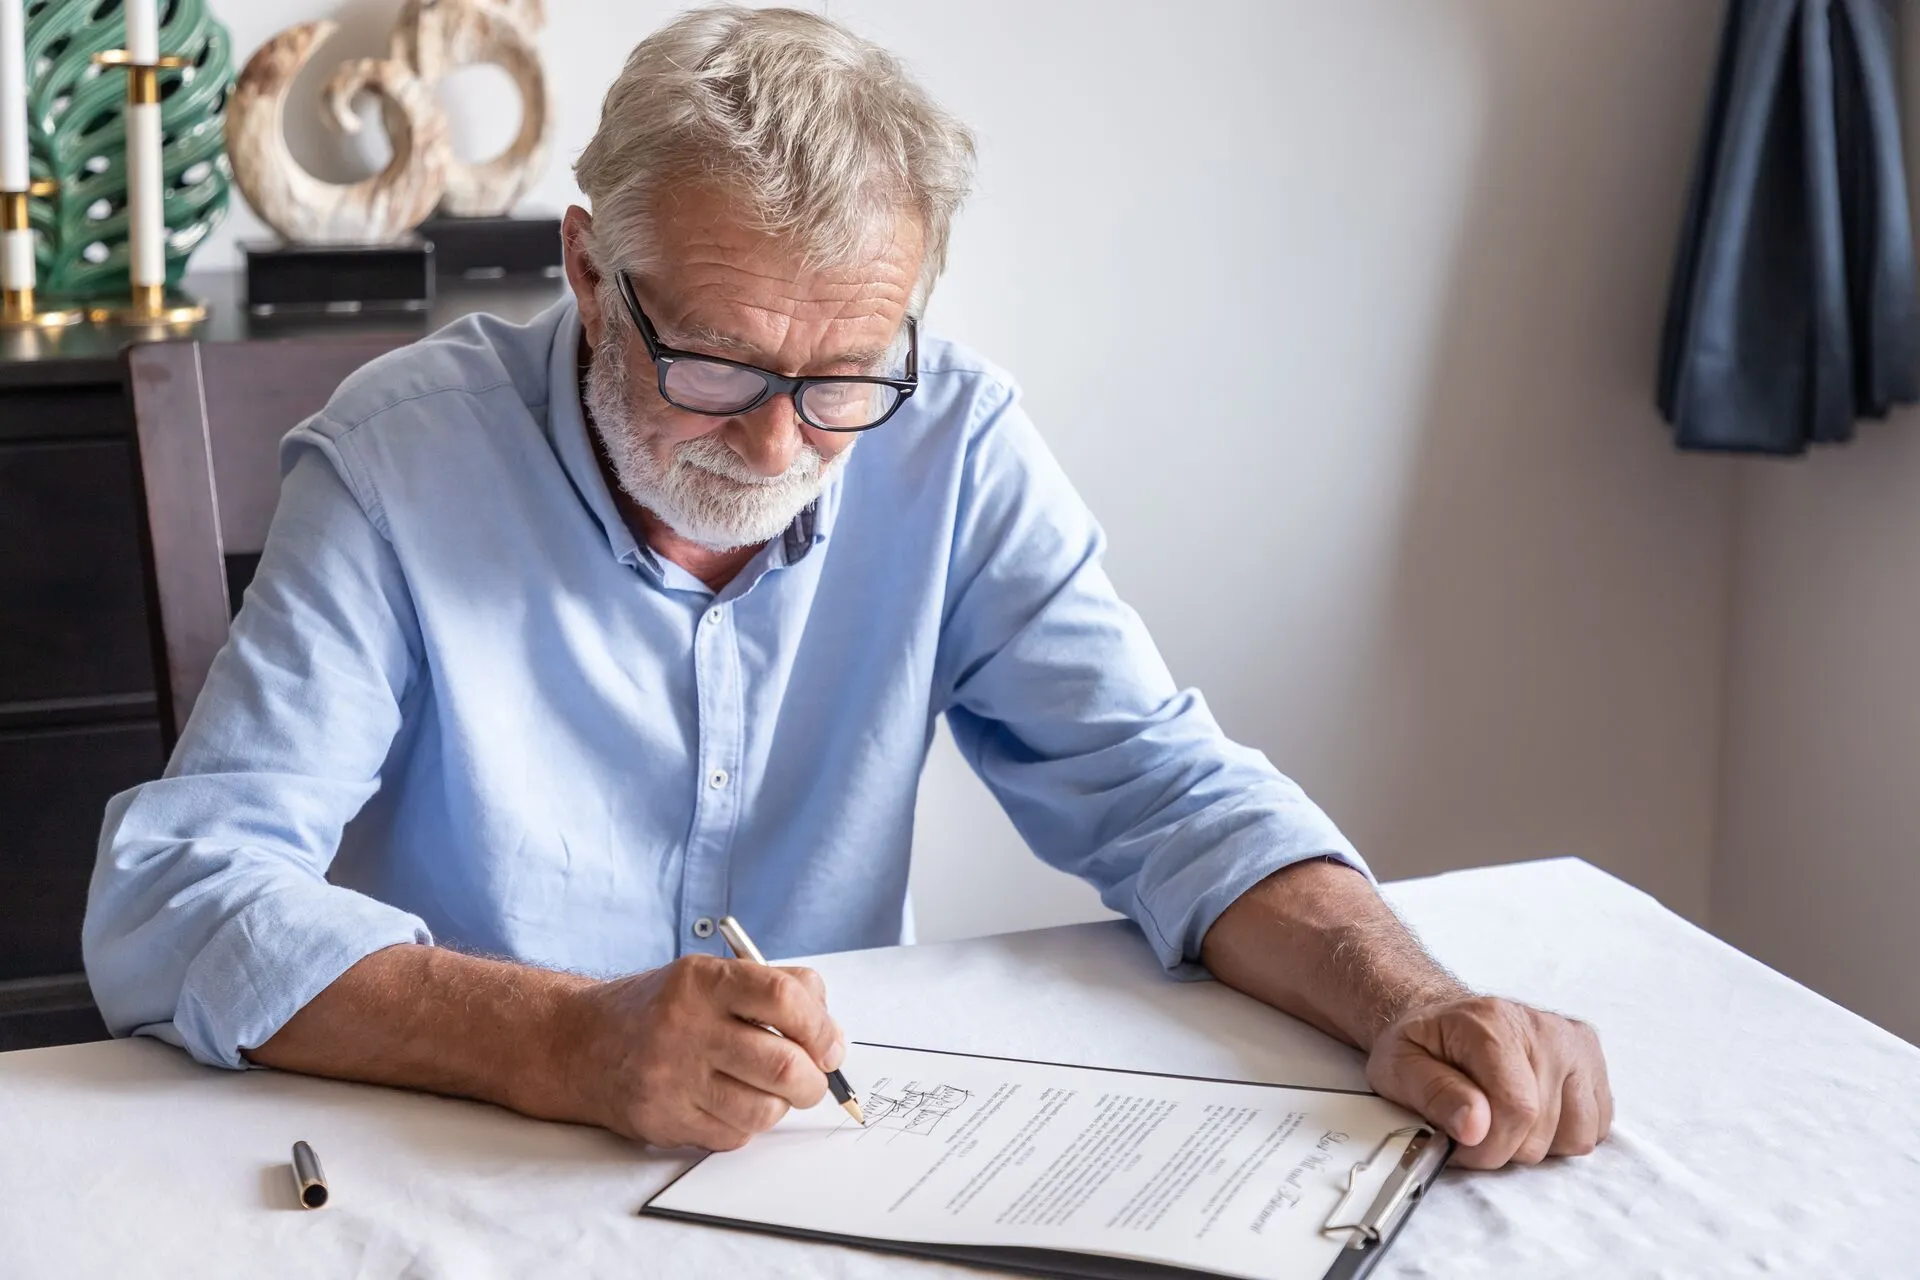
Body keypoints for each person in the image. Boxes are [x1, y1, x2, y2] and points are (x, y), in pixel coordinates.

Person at [84, 6, 1609, 1170]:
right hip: (455, 1161)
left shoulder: (950, 440)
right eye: (718, 362)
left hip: (808, 1179)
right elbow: (172, 899)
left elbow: (1166, 795)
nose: (773, 440)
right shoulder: (398, 465)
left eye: (841, 378)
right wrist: (563, 1041)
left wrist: (1405, 999)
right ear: (584, 273)